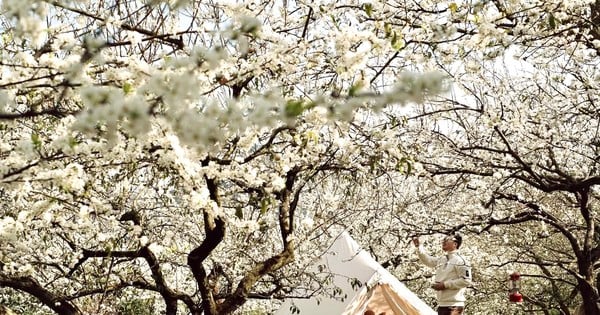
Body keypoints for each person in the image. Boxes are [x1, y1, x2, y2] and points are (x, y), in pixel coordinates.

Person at [412, 233, 472, 315]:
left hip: (454, 306)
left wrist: (445, 285)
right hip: (442, 304)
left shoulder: (461, 261)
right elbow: (428, 261)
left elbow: (466, 281)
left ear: (455, 244)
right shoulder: (442, 259)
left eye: (447, 240)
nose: (443, 242)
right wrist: (419, 246)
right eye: (443, 240)